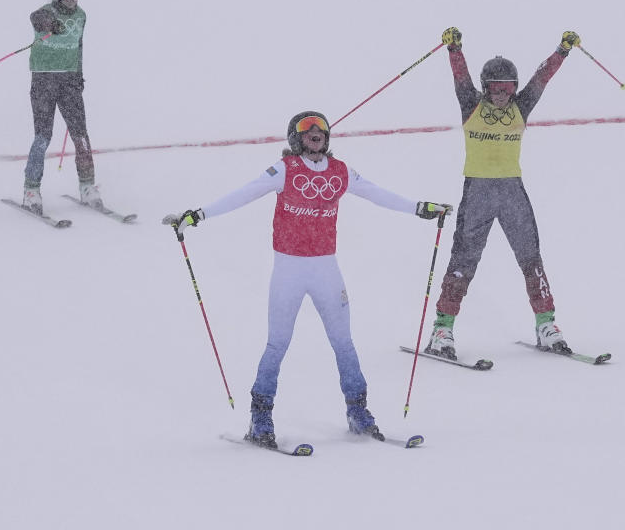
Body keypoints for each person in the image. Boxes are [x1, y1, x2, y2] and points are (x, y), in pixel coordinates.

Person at [168, 111, 452, 448]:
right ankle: (260, 418)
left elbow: (377, 193)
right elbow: (246, 192)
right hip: (289, 270)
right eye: (307, 128)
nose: (315, 132)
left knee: (343, 342)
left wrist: (419, 208)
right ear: (295, 137)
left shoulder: (340, 171)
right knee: (277, 344)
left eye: (321, 128)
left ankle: (358, 411)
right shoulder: (284, 170)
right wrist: (198, 215)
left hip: (326, 269)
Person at [425, 27, 580, 360]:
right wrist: (455, 49)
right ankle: (442, 327)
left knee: (530, 258)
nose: (501, 94)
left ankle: (546, 323)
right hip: (478, 191)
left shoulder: (521, 106)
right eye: (495, 88)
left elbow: (541, 79)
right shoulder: (471, 105)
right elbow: (460, 78)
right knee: (463, 262)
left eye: (508, 87)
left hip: (512, 190)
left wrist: (562, 52)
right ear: (485, 88)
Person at [22, 0, 102, 214]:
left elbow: (78, 47)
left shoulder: (81, 16)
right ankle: (31, 190)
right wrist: (50, 24)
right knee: (43, 137)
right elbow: (36, 17)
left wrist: (78, 75)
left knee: (81, 136)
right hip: (44, 81)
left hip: (69, 82)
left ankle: (87, 186)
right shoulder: (46, 13)